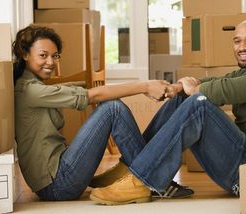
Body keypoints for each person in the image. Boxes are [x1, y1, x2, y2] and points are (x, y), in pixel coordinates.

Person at [90, 19, 246, 205]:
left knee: (199, 103)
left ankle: (141, 180)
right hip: (243, 164)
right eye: (237, 41)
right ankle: (130, 167)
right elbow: (218, 81)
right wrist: (180, 87)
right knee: (186, 97)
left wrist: (194, 90)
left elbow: (223, 90)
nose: (242, 47)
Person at [13, 25, 193, 201]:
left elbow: (79, 89)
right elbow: (93, 95)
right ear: (25, 54)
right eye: (43, 56)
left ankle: (143, 172)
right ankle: (153, 179)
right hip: (58, 185)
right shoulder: (29, 90)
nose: (50, 62)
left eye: (55, 56)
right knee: (112, 109)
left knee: (171, 100)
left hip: (59, 175)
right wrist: (144, 86)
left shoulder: (32, 86)